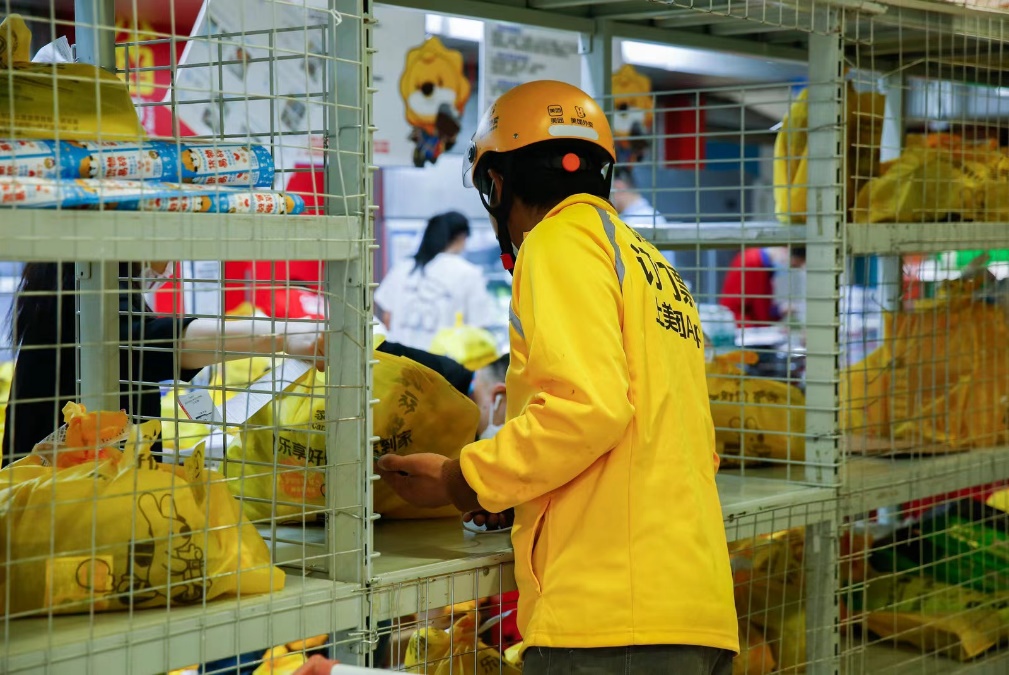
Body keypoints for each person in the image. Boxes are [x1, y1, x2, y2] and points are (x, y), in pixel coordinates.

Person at [377, 80, 738, 674]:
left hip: (610, 619)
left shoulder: (557, 244)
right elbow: (655, 438)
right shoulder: (650, 267)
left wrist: (460, 478)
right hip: (690, 605)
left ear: (498, 183)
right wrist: (513, 492)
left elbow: (586, 409)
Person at [3, 261, 324, 462]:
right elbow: (142, 342)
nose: (169, 267)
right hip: (57, 496)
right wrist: (281, 335)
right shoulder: (85, 282)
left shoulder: (76, 281)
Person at [374, 211, 498, 351]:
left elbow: (386, 318)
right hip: (442, 367)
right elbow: (479, 328)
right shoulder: (469, 273)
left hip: (400, 363)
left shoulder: (403, 268)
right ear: (461, 237)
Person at [720, 246, 806, 327]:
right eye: (793, 266)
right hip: (741, 331)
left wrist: (779, 310)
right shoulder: (751, 262)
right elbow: (735, 308)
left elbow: (760, 308)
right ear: (785, 250)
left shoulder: (765, 268)